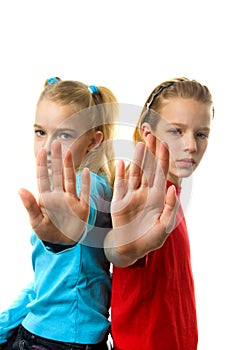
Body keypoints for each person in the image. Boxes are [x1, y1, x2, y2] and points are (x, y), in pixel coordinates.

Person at [0, 77, 119, 349]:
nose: (47, 146)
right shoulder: (61, 191)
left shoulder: (88, 187)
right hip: (47, 330)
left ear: (92, 142)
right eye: (40, 132)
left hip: (60, 339)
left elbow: (82, 221)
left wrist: (66, 235)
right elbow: (45, 283)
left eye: (64, 135)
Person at [104, 77, 214, 350]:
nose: (191, 145)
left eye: (201, 134)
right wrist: (125, 245)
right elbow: (121, 252)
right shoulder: (139, 197)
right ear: (147, 134)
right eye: (176, 131)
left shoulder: (172, 194)